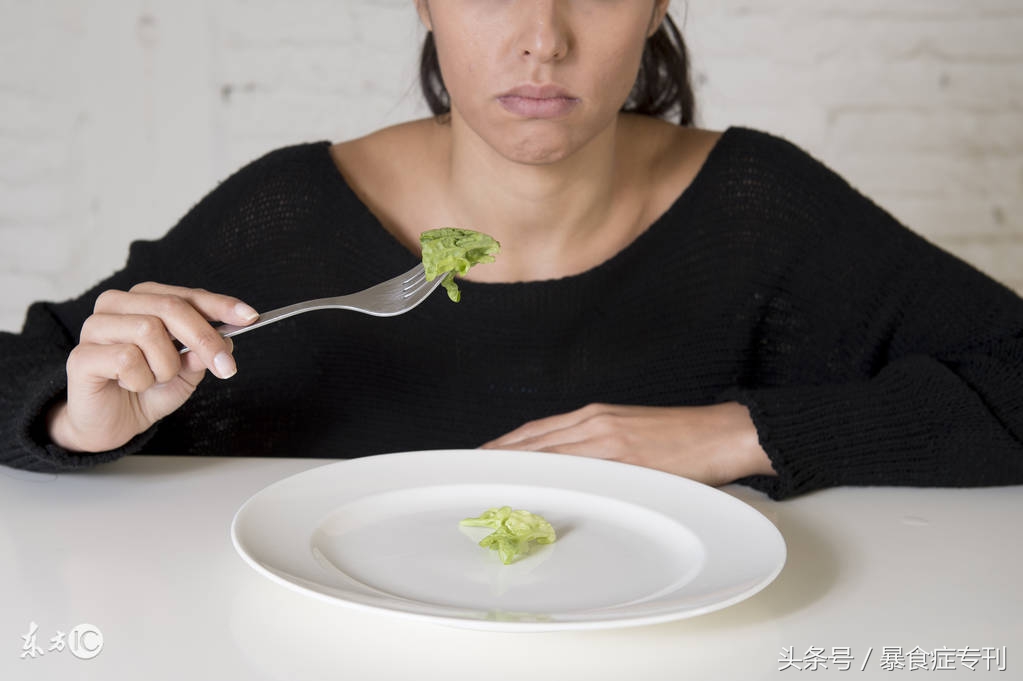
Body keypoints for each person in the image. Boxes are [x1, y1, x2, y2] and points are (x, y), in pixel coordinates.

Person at [1, 1, 1021, 500]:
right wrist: (78, 417)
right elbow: (24, 371)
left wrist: (736, 433)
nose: (543, 37)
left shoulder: (762, 211)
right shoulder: (290, 213)